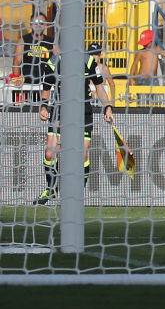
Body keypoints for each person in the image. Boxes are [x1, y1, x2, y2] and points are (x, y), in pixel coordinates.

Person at [33, 50, 115, 205]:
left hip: (83, 112)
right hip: (60, 111)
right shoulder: (54, 62)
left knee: (82, 155)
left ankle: (78, 194)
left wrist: (108, 107)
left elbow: (99, 87)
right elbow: (46, 88)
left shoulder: (89, 60)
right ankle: (51, 189)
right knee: (50, 152)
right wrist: (43, 107)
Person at [10, 14, 56, 103]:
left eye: (41, 23)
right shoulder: (24, 40)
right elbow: (16, 62)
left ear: (46, 25)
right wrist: (16, 78)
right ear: (30, 25)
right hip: (27, 86)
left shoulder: (51, 42)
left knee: (43, 111)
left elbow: (58, 60)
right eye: (35, 23)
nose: (38, 26)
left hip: (45, 87)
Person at [127, 28, 165, 98]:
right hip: (141, 79)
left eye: (146, 43)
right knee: (141, 99)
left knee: (153, 98)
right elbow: (134, 65)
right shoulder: (140, 52)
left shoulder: (157, 49)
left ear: (152, 41)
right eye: (143, 44)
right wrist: (131, 78)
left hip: (153, 79)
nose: (144, 45)